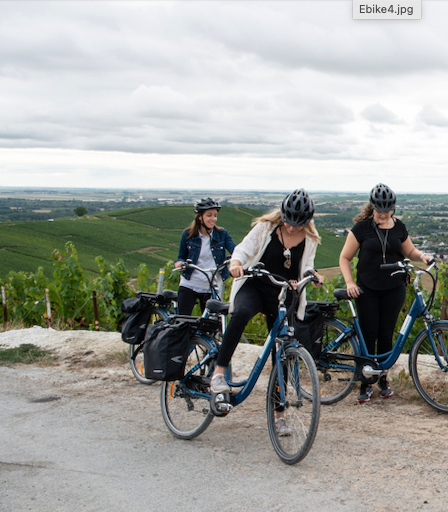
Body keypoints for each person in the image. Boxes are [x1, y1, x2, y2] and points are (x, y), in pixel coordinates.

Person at [210, 189, 321, 437]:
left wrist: (311, 276)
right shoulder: (266, 228)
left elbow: (307, 266)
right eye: (288, 221)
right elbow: (244, 249)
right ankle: (218, 374)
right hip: (256, 286)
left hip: (282, 294)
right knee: (240, 315)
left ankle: (279, 416)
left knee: (283, 351)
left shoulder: (310, 239)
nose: (291, 227)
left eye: (297, 223)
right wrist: (236, 263)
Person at [338, 183, 432, 403]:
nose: (382, 214)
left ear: (392, 208)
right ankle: (365, 382)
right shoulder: (361, 229)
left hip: (394, 289)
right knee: (368, 336)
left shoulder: (399, 227)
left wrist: (423, 256)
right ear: (372, 207)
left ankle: (382, 379)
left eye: (386, 210)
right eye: (379, 210)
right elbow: (344, 257)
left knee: (386, 335)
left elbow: (409, 251)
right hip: (367, 290)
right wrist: (349, 282)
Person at [174, 198, 235, 315]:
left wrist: (239, 260)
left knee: (211, 322)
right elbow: (181, 256)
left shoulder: (222, 234)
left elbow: (235, 250)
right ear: (199, 217)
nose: (213, 219)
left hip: (211, 286)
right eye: (209, 215)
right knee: (183, 320)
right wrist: (179, 263)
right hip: (190, 284)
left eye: (215, 215)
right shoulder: (188, 235)